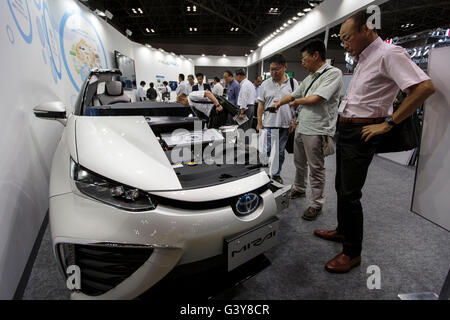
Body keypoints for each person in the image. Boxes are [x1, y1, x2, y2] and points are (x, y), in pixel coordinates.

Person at [314, 10, 435, 273]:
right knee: (340, 187)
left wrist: (389, 123)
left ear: (366, 30)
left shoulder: (389, 54)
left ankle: (352, 253)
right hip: (346, 129)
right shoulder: (363, 59)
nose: (344, 44)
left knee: (350, 194)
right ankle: (343, 231)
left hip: (362, 132)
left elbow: (424, 87)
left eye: (347, 38)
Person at [274, 39, 343, 221]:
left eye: (304, 59)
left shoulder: (332, 74)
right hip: (302, 126)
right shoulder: (309, 78)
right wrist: (279, 103)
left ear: (316, 55)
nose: (303, 63)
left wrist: (294, 102)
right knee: (299, 163)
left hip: (317, 129)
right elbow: (294, 94)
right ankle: (299, 188)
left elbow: (317, 98)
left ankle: (316, 204)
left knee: (316, 169)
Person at [256, 54, 298, 184]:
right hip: (269, 123)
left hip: (285, 124)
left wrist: (294, 120)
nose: (274, 72)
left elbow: (297, 102)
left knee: (280, 152)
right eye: (271, 69)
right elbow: (261, 104)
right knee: (267, 151)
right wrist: (259, 123)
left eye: (277, 69)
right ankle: (266, 174)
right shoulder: (265, 84)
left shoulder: (292, 82)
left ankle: (276, 173)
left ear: (285, 67)